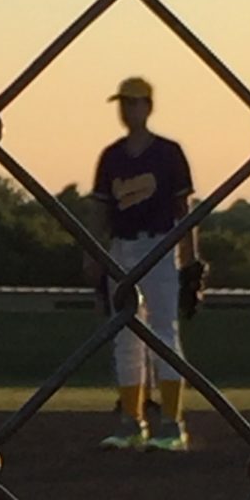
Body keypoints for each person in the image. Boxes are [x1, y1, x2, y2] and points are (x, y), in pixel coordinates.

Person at [83, 76, 205, 451]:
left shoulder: (168, 153)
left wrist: (190, 258)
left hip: (160, 245)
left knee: (164, 334)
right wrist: (93, 254)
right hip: (121, 250)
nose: (128, 109)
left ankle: (172, 423)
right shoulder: (112, 155)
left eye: (134, 102)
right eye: (123, 103)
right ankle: (131, 422)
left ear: (149, 106)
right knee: (125, 338)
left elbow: (183, 209)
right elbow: (101, 210)